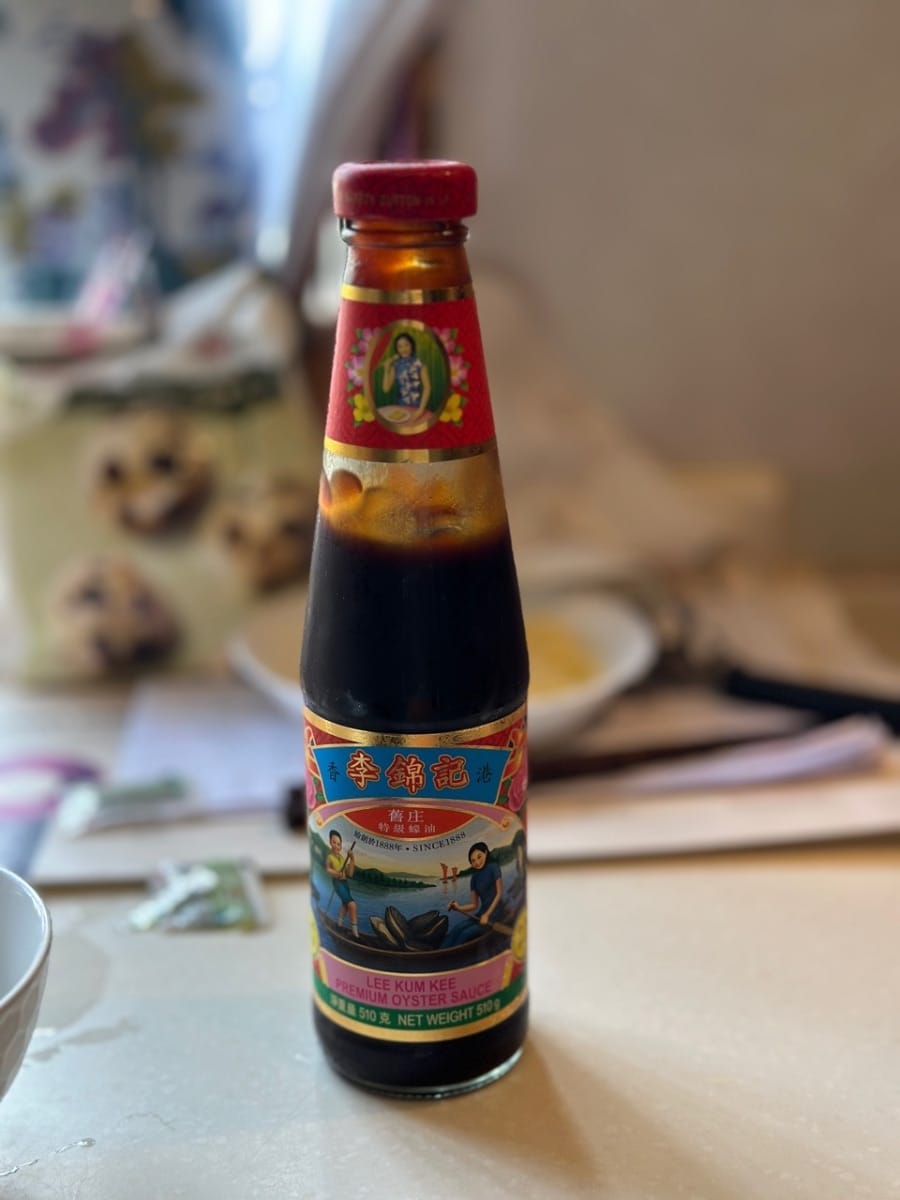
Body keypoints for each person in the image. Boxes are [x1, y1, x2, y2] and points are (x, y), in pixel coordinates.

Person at [446, 841, 502, 946]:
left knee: (465, 934)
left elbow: (499, 894)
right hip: (482, 913)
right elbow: (474, 905)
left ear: (485, 853)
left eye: (479, 857)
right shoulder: (474, 878)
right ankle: (442, 951)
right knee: (457, 928)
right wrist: (458, 908)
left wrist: (487, 915)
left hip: (495, 913)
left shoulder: (493, 867)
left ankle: (450, 953)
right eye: (473, 861)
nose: (477, 862)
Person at [381, 332, 431, 414]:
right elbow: (386, 389)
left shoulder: (420, 364)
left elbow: (427, 388)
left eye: (406, 345)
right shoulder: (396, 365)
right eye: (400, 346)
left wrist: (420, 410)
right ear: (397, 349)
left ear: (412, 345)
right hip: (401, 409)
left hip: (417, 408)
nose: (403, 349)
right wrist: (386, 370)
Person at [326, 830, 358, 938]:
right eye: (334, 842)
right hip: (337, 883)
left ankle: (339, 925)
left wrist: (352, 859)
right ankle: (355, 934)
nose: (336, 845)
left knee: (345, 905)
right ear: (330, 842)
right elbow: (328, 869)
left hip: (345, 883)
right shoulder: (330, 857)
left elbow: (350, 873)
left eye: (339, 844)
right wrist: (336, 873)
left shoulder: (343, 858)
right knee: (352, 905)